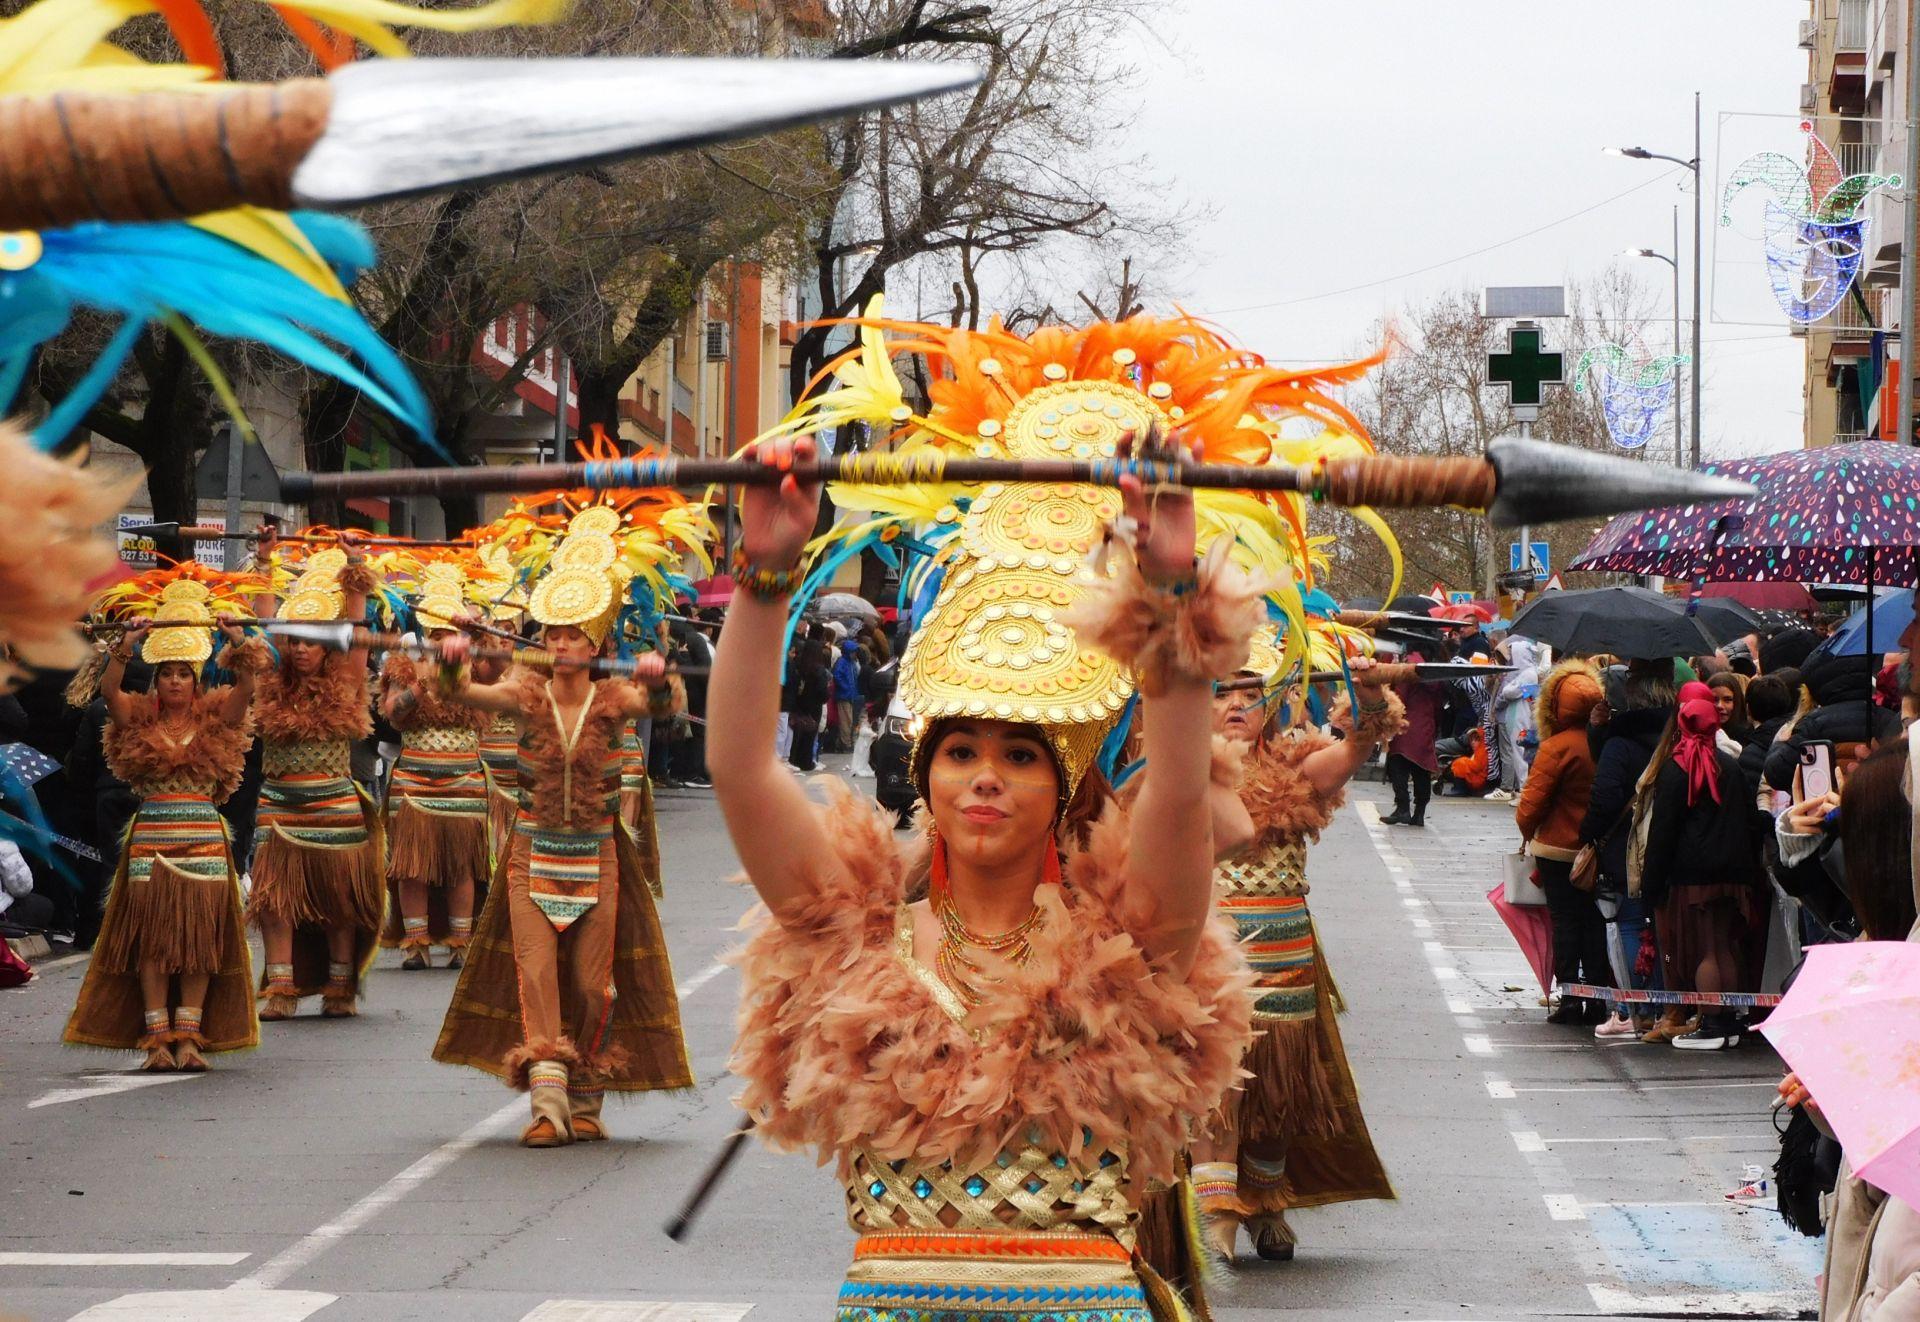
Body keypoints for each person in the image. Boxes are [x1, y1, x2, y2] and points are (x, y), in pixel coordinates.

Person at [714, 427, 1254, 1318]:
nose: (988, 776)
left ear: (1062, 786)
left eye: (1021, 755)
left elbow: (1182, 802)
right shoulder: (855, 933)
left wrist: (1167, 591)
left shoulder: (1124, 946)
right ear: (926, 776)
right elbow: (740, 767)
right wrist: (767, 572)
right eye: (960, 750)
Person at [433, 507, 692, 1148]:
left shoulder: (612, 699)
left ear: (596, 647)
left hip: (597, 857)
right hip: (531, 856)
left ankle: (587, 1098)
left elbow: (655, 703)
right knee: (537, 974)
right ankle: (547, 1106)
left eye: (573, 635)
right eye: (552, 632)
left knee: (589, 982)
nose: (560, 643)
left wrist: (660, 683)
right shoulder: (524, 693)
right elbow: (467, 696)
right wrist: (450, 665)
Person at [1193, 631, 1402, 1264]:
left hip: (1282, 953)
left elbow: (1352, 751)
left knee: (1280, 1090)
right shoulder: (1169, 772)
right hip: (1202, 952)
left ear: (1272, 703)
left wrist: (1367, 700)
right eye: (1221, 691)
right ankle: (1214, 1217)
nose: (1236, 703)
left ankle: (1266, 1196)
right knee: (1211, 1080)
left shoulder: (1294, 766)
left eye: (1250, 693)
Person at [64, 572, 267, 1070]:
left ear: (197, 680)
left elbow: (247, 690)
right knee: (153, 939)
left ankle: (191, 1036)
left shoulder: (217, 717)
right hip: (151, 840)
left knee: (199, 941)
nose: (176, 680)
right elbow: (109, 693)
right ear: (157, 680)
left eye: (185, 672)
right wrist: (126, 645)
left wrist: (238, 643)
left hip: (203, 841)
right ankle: (157, 1037)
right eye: (168, 672)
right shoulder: (137, 717)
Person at [1775, 739, 1917, 1320]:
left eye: (1849, 833)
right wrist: (1831, 1104)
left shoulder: (1903, 977)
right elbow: (1888, 1150)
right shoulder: (1886, 959)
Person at [249, 536, 386, 1021]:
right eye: (295, 640)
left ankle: (340, 985)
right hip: (278, 804)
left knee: (338, 901)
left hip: (334, 803)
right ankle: (281, 988)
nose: (301, 649)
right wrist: (264, 561)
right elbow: (264, 623)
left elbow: (357, 628)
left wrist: (354, 565)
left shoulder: (348, 675)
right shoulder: (268, 677)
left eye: (311, 640)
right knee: (273, 899)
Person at [1641, 681, 1766, 1050]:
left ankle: (1711, 1024)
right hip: (1734, 874)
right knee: (1724, 946)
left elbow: (1663, 832)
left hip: (1692, 876)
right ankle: (1726, 1020)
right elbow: (1748, 820)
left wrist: (1652, 884)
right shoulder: (1731, 764)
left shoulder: (1675, 769)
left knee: (1704, 950)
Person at [377, 575, 490, 971]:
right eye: (437, 632)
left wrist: (478, 638)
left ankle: (460, 941)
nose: (443, 639)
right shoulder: (404, 666)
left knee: (461, 863)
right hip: (414, 780)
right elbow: (394, 713)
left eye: (450, 632)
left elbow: (499, 676)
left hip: (464, 779)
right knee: (412, 865)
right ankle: (415, 943)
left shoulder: (476, 665)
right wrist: (424, 684)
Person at [1580, 660, 1678, 1040]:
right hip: (1673, 844)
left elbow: (1605, 796)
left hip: (1627, 849)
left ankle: (1641, 1009)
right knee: (1668, 926)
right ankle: (1666, 1006)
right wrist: (1598, 730)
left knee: (1633, 922)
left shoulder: (1622, 742)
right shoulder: (1677, 734)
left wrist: (1590, 833)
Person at [1513, 659, 1610, 1030]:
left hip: (1556, 850)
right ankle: (1600, 998)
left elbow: (1531, 805)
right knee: (1596, 922)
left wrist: (1527, 830)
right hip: (1598, 848)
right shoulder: (1607, 744)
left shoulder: (1555, 747)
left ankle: (1570, 998)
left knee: (1565, 923)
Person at [1383, 652, 1442, 826]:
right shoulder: (1435, 671)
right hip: (1426, 723)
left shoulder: (1409, 668)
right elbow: (1439, 703)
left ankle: (1402, 808)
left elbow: (1399, 698)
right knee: (1421, 769)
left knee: (1398, 765)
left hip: (1407, 722)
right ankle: (1419, 813)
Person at [1489, 635, 1543, 802]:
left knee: (1521, 755)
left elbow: (1510, 692)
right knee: (1517, 753)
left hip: (1522, 718)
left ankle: (1525, 791)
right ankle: (1522, 790)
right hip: (1516, 716)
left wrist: (1511, 688)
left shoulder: (1529, 674)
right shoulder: (1524, 673)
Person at [1707, 671, 1752, 748]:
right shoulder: (1698, 735)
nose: (1720, 706)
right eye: (1714, 700)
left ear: (1737, 701)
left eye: (1727, 700)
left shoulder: (1749, 738)